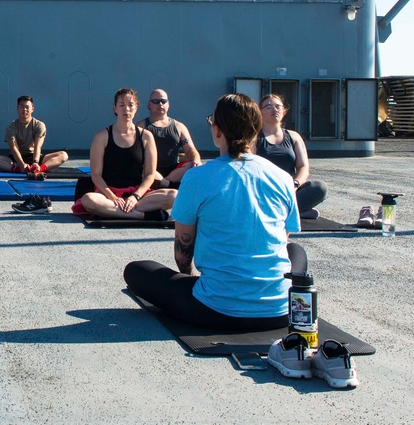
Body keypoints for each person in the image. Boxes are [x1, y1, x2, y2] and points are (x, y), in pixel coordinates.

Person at [123, 93, 306, 331]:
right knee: (296, 250)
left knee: (136, 270)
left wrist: (188, 278)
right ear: (256, 130)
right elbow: (283, 240)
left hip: (215, 309)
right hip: (280, 312)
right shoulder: (283, 178)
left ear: (217, 130)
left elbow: (183, 250)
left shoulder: (198, 177)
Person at [75, 88, 176, 219]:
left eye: (130, 105)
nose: (126, 109)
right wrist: (113, 197)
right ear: (115, 108)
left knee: (174, 196)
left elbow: (150, 174)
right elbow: (96, 175)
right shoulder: (102, 136)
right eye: (121, 105)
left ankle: (116, 212)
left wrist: (135, 197)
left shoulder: (146, 136)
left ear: (136, 108)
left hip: (138, 195)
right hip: (108, 195)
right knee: (88, 199)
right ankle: (143, 216)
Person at [253, 94, 328, 219]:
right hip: (264, 191)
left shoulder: (294, 136)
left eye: (278, 107)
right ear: (260, 112)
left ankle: (285, 211)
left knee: (319, 188)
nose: (275, 110)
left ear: (284, 111)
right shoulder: (254, 138)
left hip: (289, 190)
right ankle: (293, 212)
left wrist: (295, 184)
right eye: (269, 107)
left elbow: (303, 167)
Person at [0, 95, 68, 177]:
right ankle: (17, 169)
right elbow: (14, 148)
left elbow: (37, 146)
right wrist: (21, 164)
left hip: (34, 156)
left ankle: (39, 169)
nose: (24, 109)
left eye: (27, 107)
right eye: (21, 106)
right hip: (16, 158)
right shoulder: (11, 127)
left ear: (32, 109)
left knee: (63, 155)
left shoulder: (39, 125)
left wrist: (35, 162)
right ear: (17, 108)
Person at [139, 88, 201, 188]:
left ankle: (164, 183)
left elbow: (190, 149)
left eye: (163, 101)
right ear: (149, 105)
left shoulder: (179, 127)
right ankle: (168, 184)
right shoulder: (141, 127)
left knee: (193, 166)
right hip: (151, 171)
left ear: (168, 104)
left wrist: (196, 160)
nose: (160, 104)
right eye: (156, 101)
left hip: (175, 171)